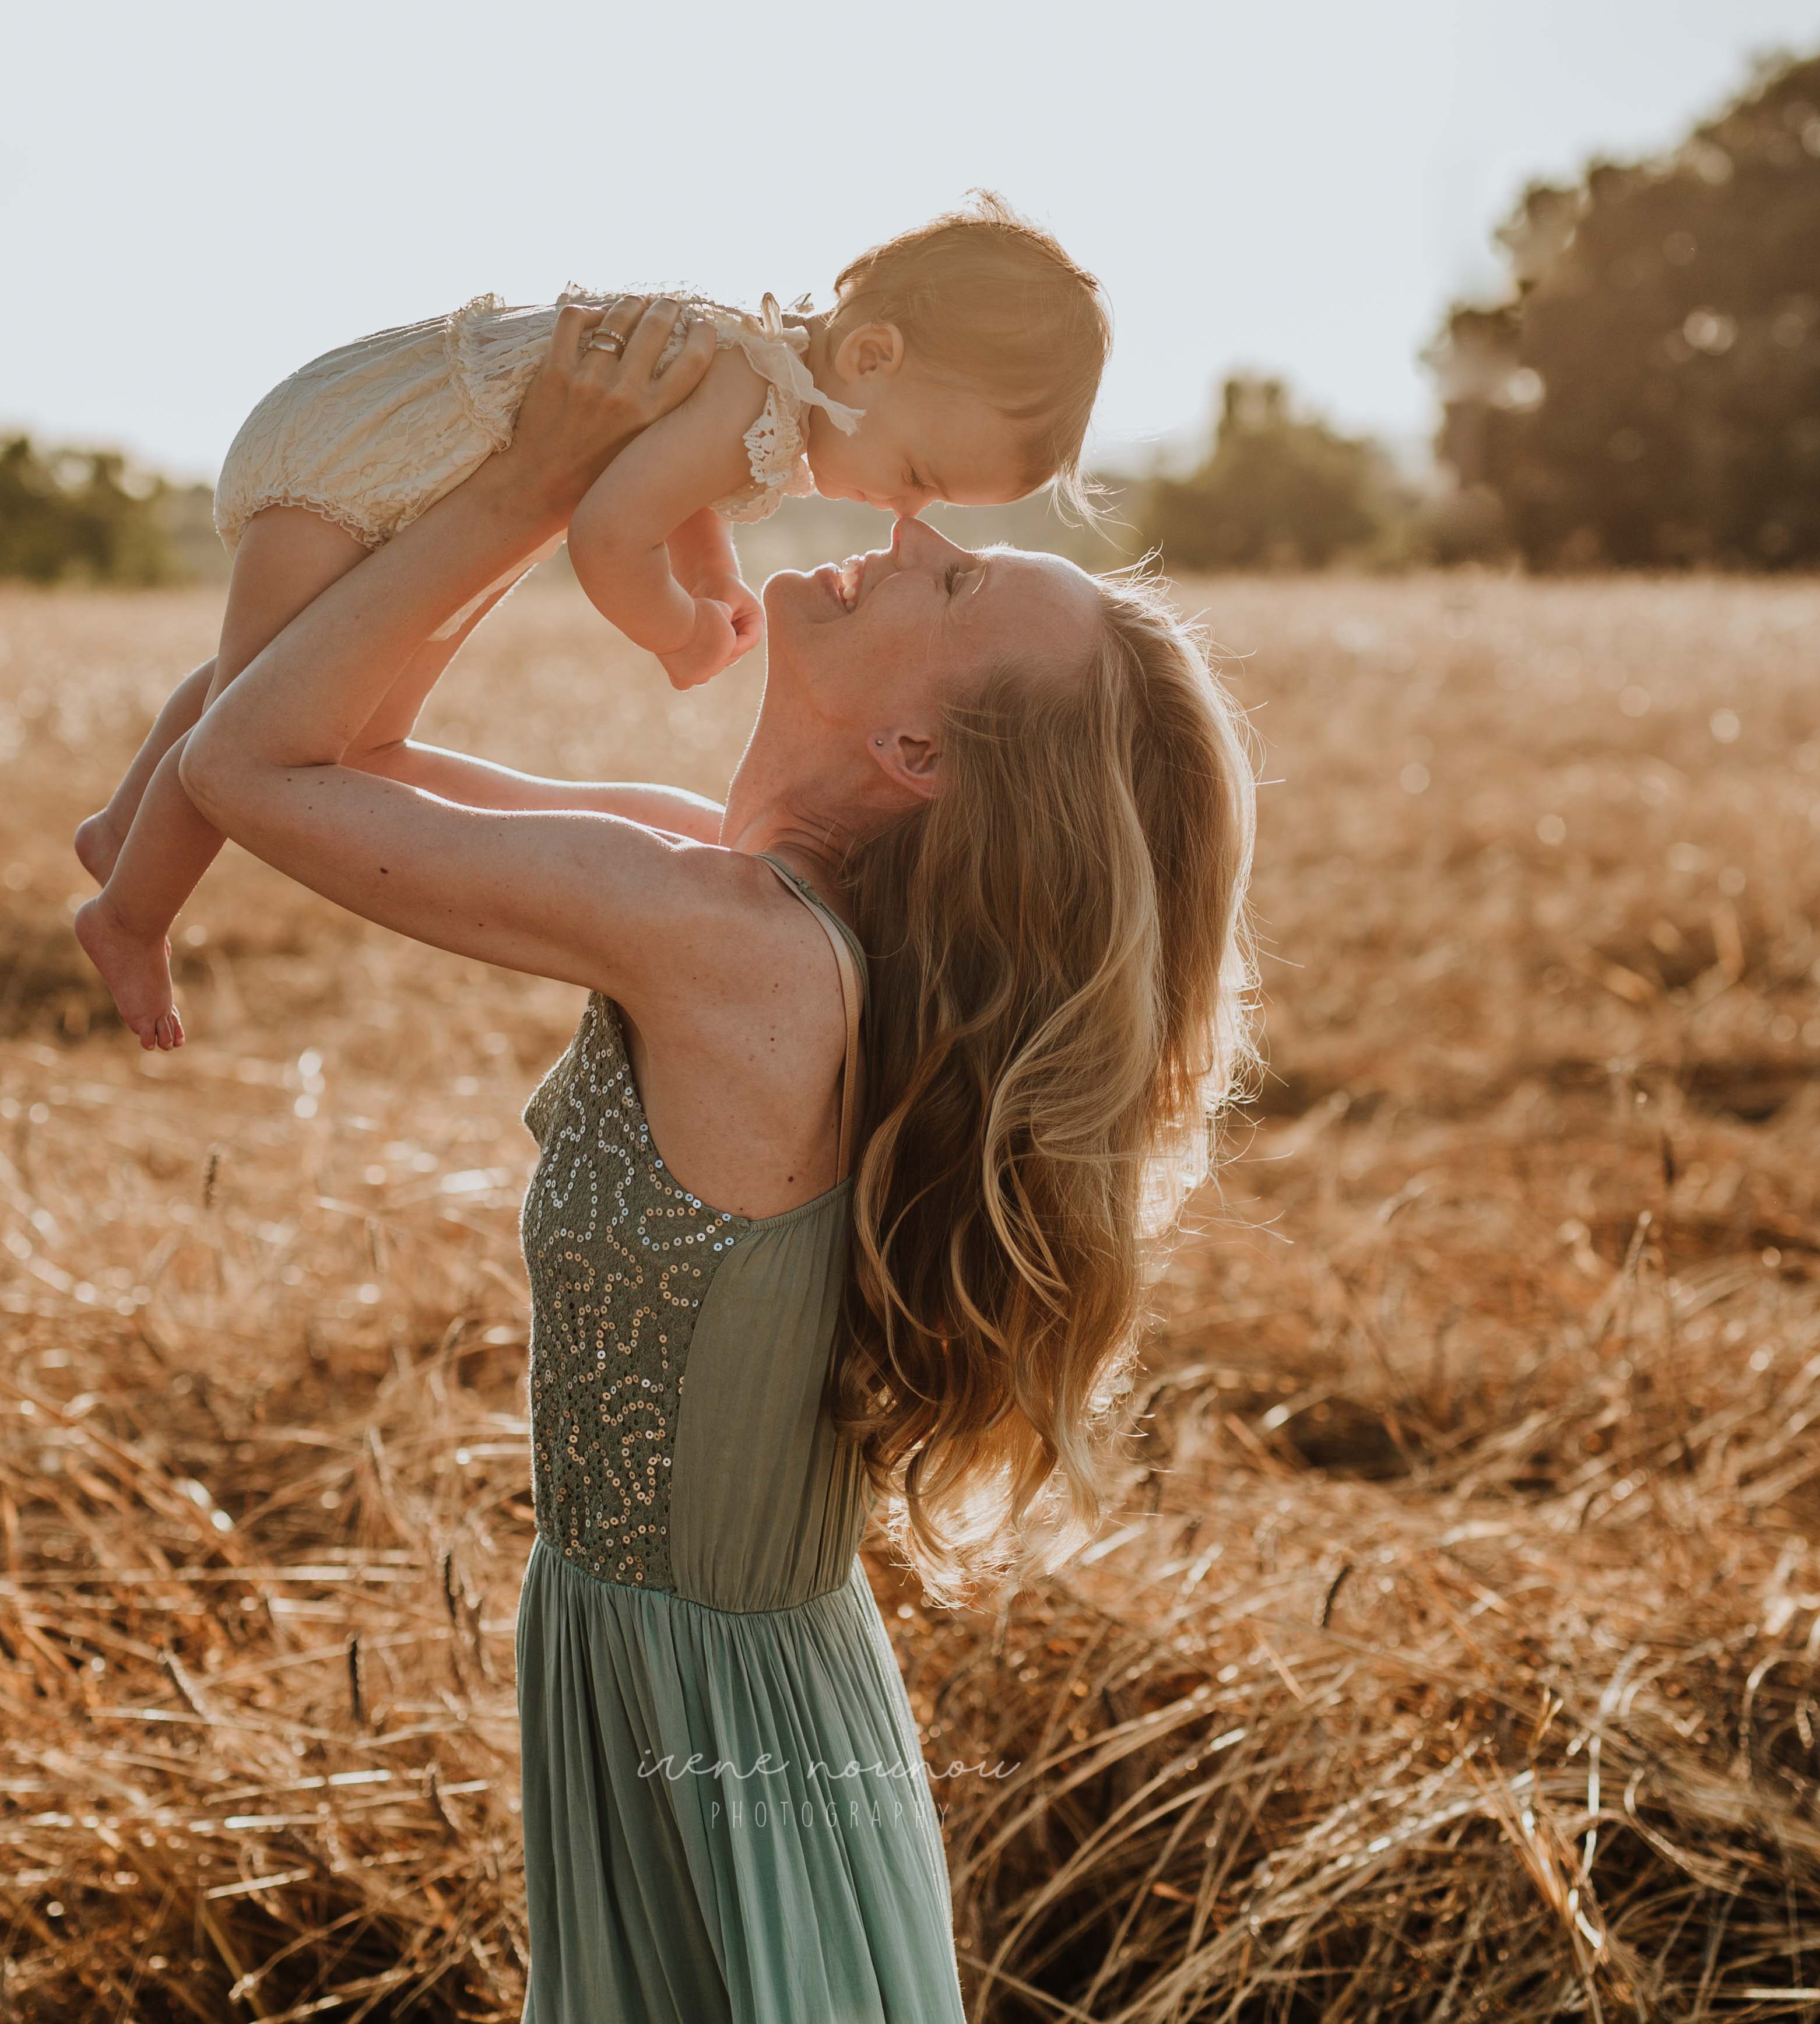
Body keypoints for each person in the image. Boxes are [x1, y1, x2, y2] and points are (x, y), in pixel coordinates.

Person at [177, 294, 1257, 2023]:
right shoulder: (724, 883)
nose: (911, 538)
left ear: (917, 755)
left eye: (959, 586)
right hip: (675, 1681)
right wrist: (533, 480)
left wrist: (531, 479)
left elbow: (248, 756)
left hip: (719, 1726)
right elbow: (349, 750)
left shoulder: (732, 941)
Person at [73, 194, 1112, 1051]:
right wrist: (678, 634)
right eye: (917, 476)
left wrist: (713, 576)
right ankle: (129, 914)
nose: (902, 518)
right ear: (873, 357)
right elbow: (610, 538)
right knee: (262, 707)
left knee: (320, 710)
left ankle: (125, 825)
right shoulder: (750, 384)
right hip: (368, 461)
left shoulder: (765, 389)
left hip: (436, 480)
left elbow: (674, 489)